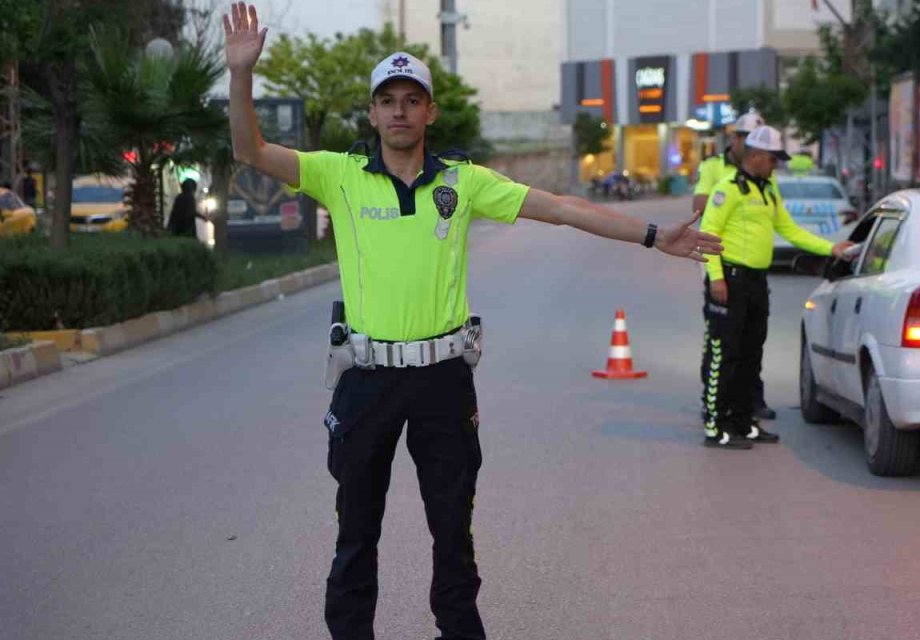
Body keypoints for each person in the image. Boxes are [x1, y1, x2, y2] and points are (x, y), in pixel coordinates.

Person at [221, 4, 723, 639]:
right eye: (388, 100)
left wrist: (654, 235)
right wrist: (242, 75)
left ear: (430, 112)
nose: (399, 110)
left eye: (412, 99)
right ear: (372, 113)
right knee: (356, 535)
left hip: (442, 381)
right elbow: (250, 149)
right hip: (365, 381)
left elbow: (562, 209)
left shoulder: (463, 182)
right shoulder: (337, 175)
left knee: (453, 531)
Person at [699, 125, 855, 449]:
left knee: (750, 354)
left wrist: (831, 248)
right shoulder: (727, 189)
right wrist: (716, 278)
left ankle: (743, 421)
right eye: (772, 159)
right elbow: (707, 233)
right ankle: (716, 425)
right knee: (724, 354)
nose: (776, 165)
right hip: (729, 279)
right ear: (755, 156)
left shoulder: (768, 189)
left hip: (756, 281)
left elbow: (790, 230)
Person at [691, 110, 777, 423]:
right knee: (720, 340)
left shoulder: (764, 173)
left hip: (751, 270)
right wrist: (727, 194)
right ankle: (713, 401)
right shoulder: (714, 167)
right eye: (745, 137)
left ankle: (749, 403)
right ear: (736, 139)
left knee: (751, 342)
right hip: (718, 257)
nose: (750, 141)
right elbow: (701, 207)